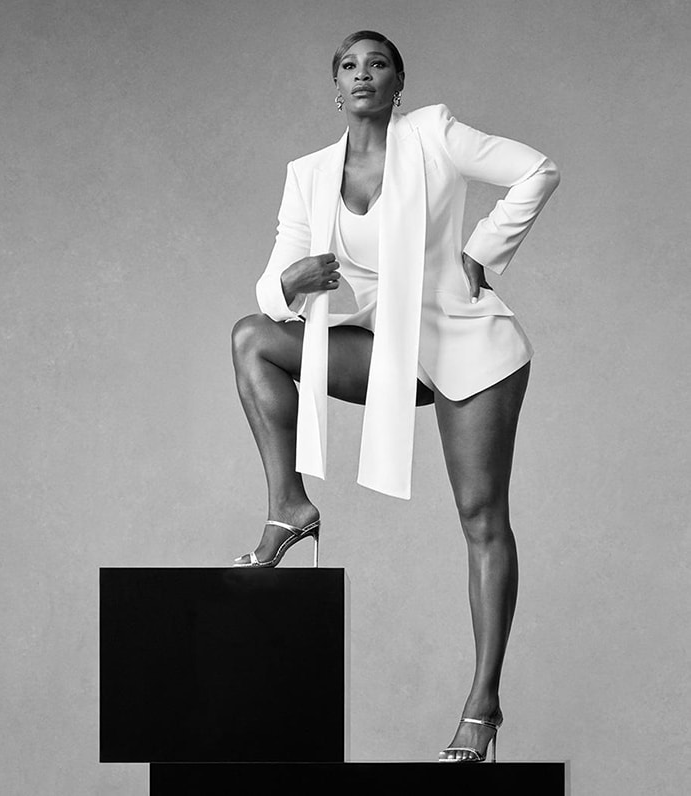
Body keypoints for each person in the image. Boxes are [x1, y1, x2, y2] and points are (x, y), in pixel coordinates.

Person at [230, 30, 560, 763]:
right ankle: (289, 506)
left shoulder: (433, 135)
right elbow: (275, 280)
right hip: (384, 350)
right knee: (252, 337)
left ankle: (482, 704)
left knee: (481, 518)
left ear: (397, 83)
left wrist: (482, 249)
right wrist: (287, 283)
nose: (363, 74)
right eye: (349, 66)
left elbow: (537, 170)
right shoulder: (309, 174)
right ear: (335, 87)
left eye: (377, 64)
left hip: (465, 346)